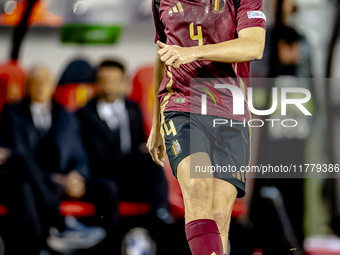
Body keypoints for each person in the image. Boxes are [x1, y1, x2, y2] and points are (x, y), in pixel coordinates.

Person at [147, 1, 266, 255]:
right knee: (198, 188)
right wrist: (157, 123)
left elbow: (254, 46)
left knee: (220, 216)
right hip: (182, 104)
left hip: (229, 110)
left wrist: (196, 52)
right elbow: (163, 52)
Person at [0, 66, 118, 254]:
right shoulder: (13, 113)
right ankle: (60, 226)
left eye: (45, 82)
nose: (40, 87)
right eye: (35, 82)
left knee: (107, 188)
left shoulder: (65, 114)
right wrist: (55, 179)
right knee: (22, 173)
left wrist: (77, 175)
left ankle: (109, 248)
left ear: (52, 85)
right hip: (36, 179)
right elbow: (20, 154)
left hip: (62, 178)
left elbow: (78, 151)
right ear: (27, 86)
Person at [77, 59, 170, 219]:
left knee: (153, 162)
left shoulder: (133, 108)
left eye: (114, 81)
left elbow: (140, 140)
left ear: (123, 83)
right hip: (103, 173)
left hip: (129, 175)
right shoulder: (86, 113)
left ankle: (162, 215)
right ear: (97, 83)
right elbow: (99, 157)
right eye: (104, 81)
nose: (109, 86)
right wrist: (138, 153)